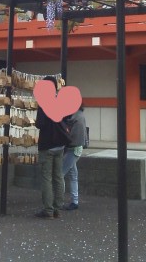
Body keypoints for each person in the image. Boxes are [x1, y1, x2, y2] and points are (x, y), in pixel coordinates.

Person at [34, 76, 71, 219]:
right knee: (58, 176)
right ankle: (57, 208)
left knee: (47, 178)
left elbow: (40, 124)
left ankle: (48, 210)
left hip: (47, 144)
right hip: (60, 145)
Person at [62, 105, 87, 210]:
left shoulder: (77, 117)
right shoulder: (79, 116)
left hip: (73, 148)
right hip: (75, 148)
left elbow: (75, 137)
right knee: (73, 175)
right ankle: (74, 201)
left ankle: (58, 200)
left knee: (60, 174)